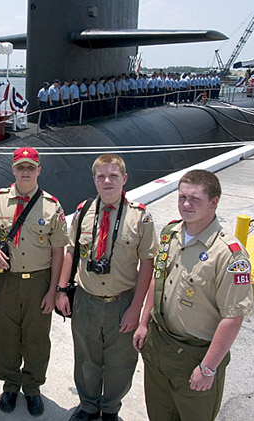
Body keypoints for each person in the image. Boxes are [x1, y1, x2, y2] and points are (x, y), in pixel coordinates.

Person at [133, 170, 254, 421]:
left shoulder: (230, 254)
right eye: (182, 197)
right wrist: (143, 323)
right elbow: (158, 282)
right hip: (159, 345)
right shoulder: (169, 234)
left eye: (195, 199)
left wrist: (208, 368)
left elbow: (233, 317)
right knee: (158, 414)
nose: (186, 205)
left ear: (214, 202)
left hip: (195, 355)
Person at [56, 153, 158, 421]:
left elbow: (148, 265)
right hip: (86, 300)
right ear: (94, 180)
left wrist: (136, 309)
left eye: (113, 176)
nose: (107, 181)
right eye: (101, 176)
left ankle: (111, 408)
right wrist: (62, 289)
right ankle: (88, 405)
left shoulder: (140, 218)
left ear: (124, 179)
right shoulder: (83, 212)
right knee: (86, 358)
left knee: (120, 363)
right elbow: (70, 251)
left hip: (121, 302)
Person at [0, 147, 67, 417]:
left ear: (39, 170)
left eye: (31, 167)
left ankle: (32, 388)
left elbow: (58, 252)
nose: (26, 172)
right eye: (21, 167)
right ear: (13, 170)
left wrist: (53, 291)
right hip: (6, 281)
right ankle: (10, 385)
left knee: (36, 339)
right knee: (5, 338)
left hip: (39, 282)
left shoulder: (51, 206)